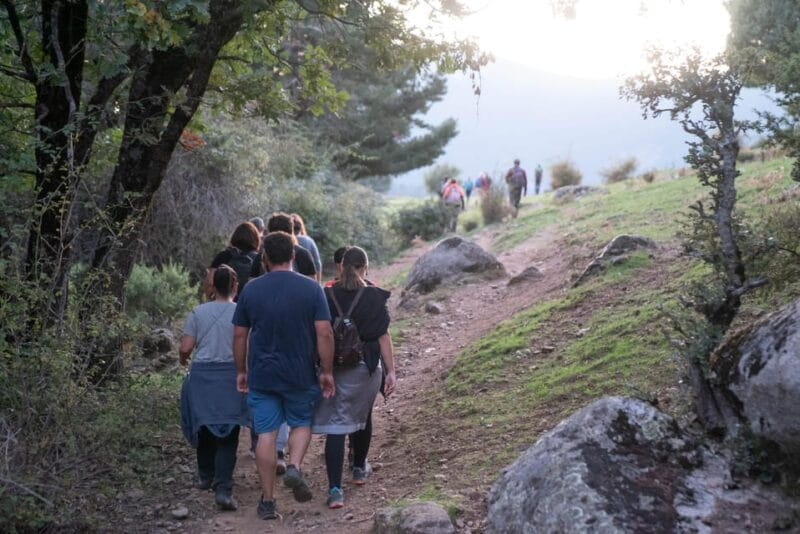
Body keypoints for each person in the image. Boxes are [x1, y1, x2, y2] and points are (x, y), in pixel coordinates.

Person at [233, 231, 335, 521]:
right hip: (299, 372)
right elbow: (324, 332)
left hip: (262, 374)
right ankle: (294, 466)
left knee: (266, 434)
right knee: (301, 422)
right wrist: (326, 371)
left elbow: (240, 334)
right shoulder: (311, 288)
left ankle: (267, 501)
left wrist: (241, 370)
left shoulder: (251, 289)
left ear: (264, 257)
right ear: (294, 255)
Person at [312, 247, 396, 509]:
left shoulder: (325, 294)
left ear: (341, 266)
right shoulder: (373, 296)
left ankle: (335, 489)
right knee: (363, 416)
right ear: (365, 267)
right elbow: (383, 336)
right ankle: (359, 468)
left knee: (336, 424)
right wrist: (391, 371)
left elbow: (317, 333)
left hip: (332, 367)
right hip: (366, 368)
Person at [180, 265, 250, 511]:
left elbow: (186, 347)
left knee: (205, 426)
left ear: (213, 286)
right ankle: (223, 488)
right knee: (229, 431)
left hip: (203, 375)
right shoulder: (241, 312)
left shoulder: (198, 312)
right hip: (232, 375)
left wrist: (182, 360)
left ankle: (205, 475)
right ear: (234, 286)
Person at [250, 213, 317, 280]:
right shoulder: (303, 254)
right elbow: (312, 284)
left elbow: (252, 282)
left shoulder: (262, 255)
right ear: (291, 232)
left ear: (270, 233)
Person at [205, 222, 261, 301]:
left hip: (224, 303)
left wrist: (211, 301)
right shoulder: (259, 259)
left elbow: (210, 283)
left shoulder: (223, 256)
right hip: (249, 305)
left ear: (234, 237)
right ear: (256, 239)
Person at [291, 213, 323, 282]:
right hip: (307, 279)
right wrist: (318, 284)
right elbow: (317, 264)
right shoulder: (309, 241)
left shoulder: (284, 241)